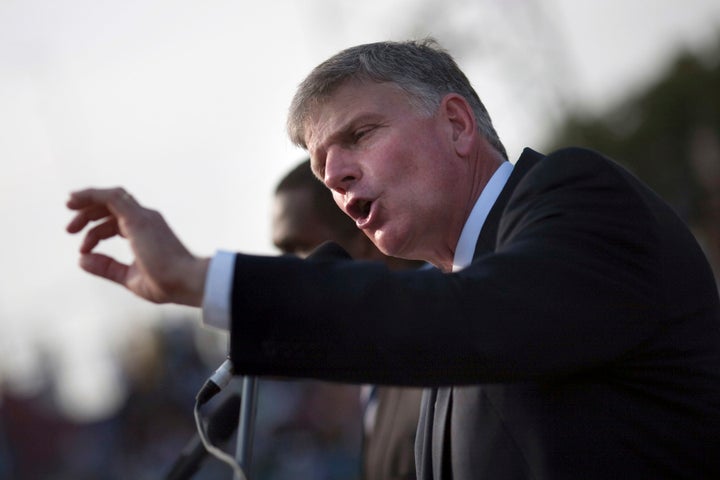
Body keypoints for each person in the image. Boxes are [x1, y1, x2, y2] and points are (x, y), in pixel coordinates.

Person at [65, 39, 720, 479]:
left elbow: (473, 320)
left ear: (458, 126)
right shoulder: (440, 330)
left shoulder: (578, 196)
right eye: (324, 170)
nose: (339, 177)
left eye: (359, 135)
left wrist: (201, 278)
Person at [273, 158, 423, 480]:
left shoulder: (437, 354)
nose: (289, 273)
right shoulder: (378, 361)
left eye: (299, 249)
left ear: (366, 237)